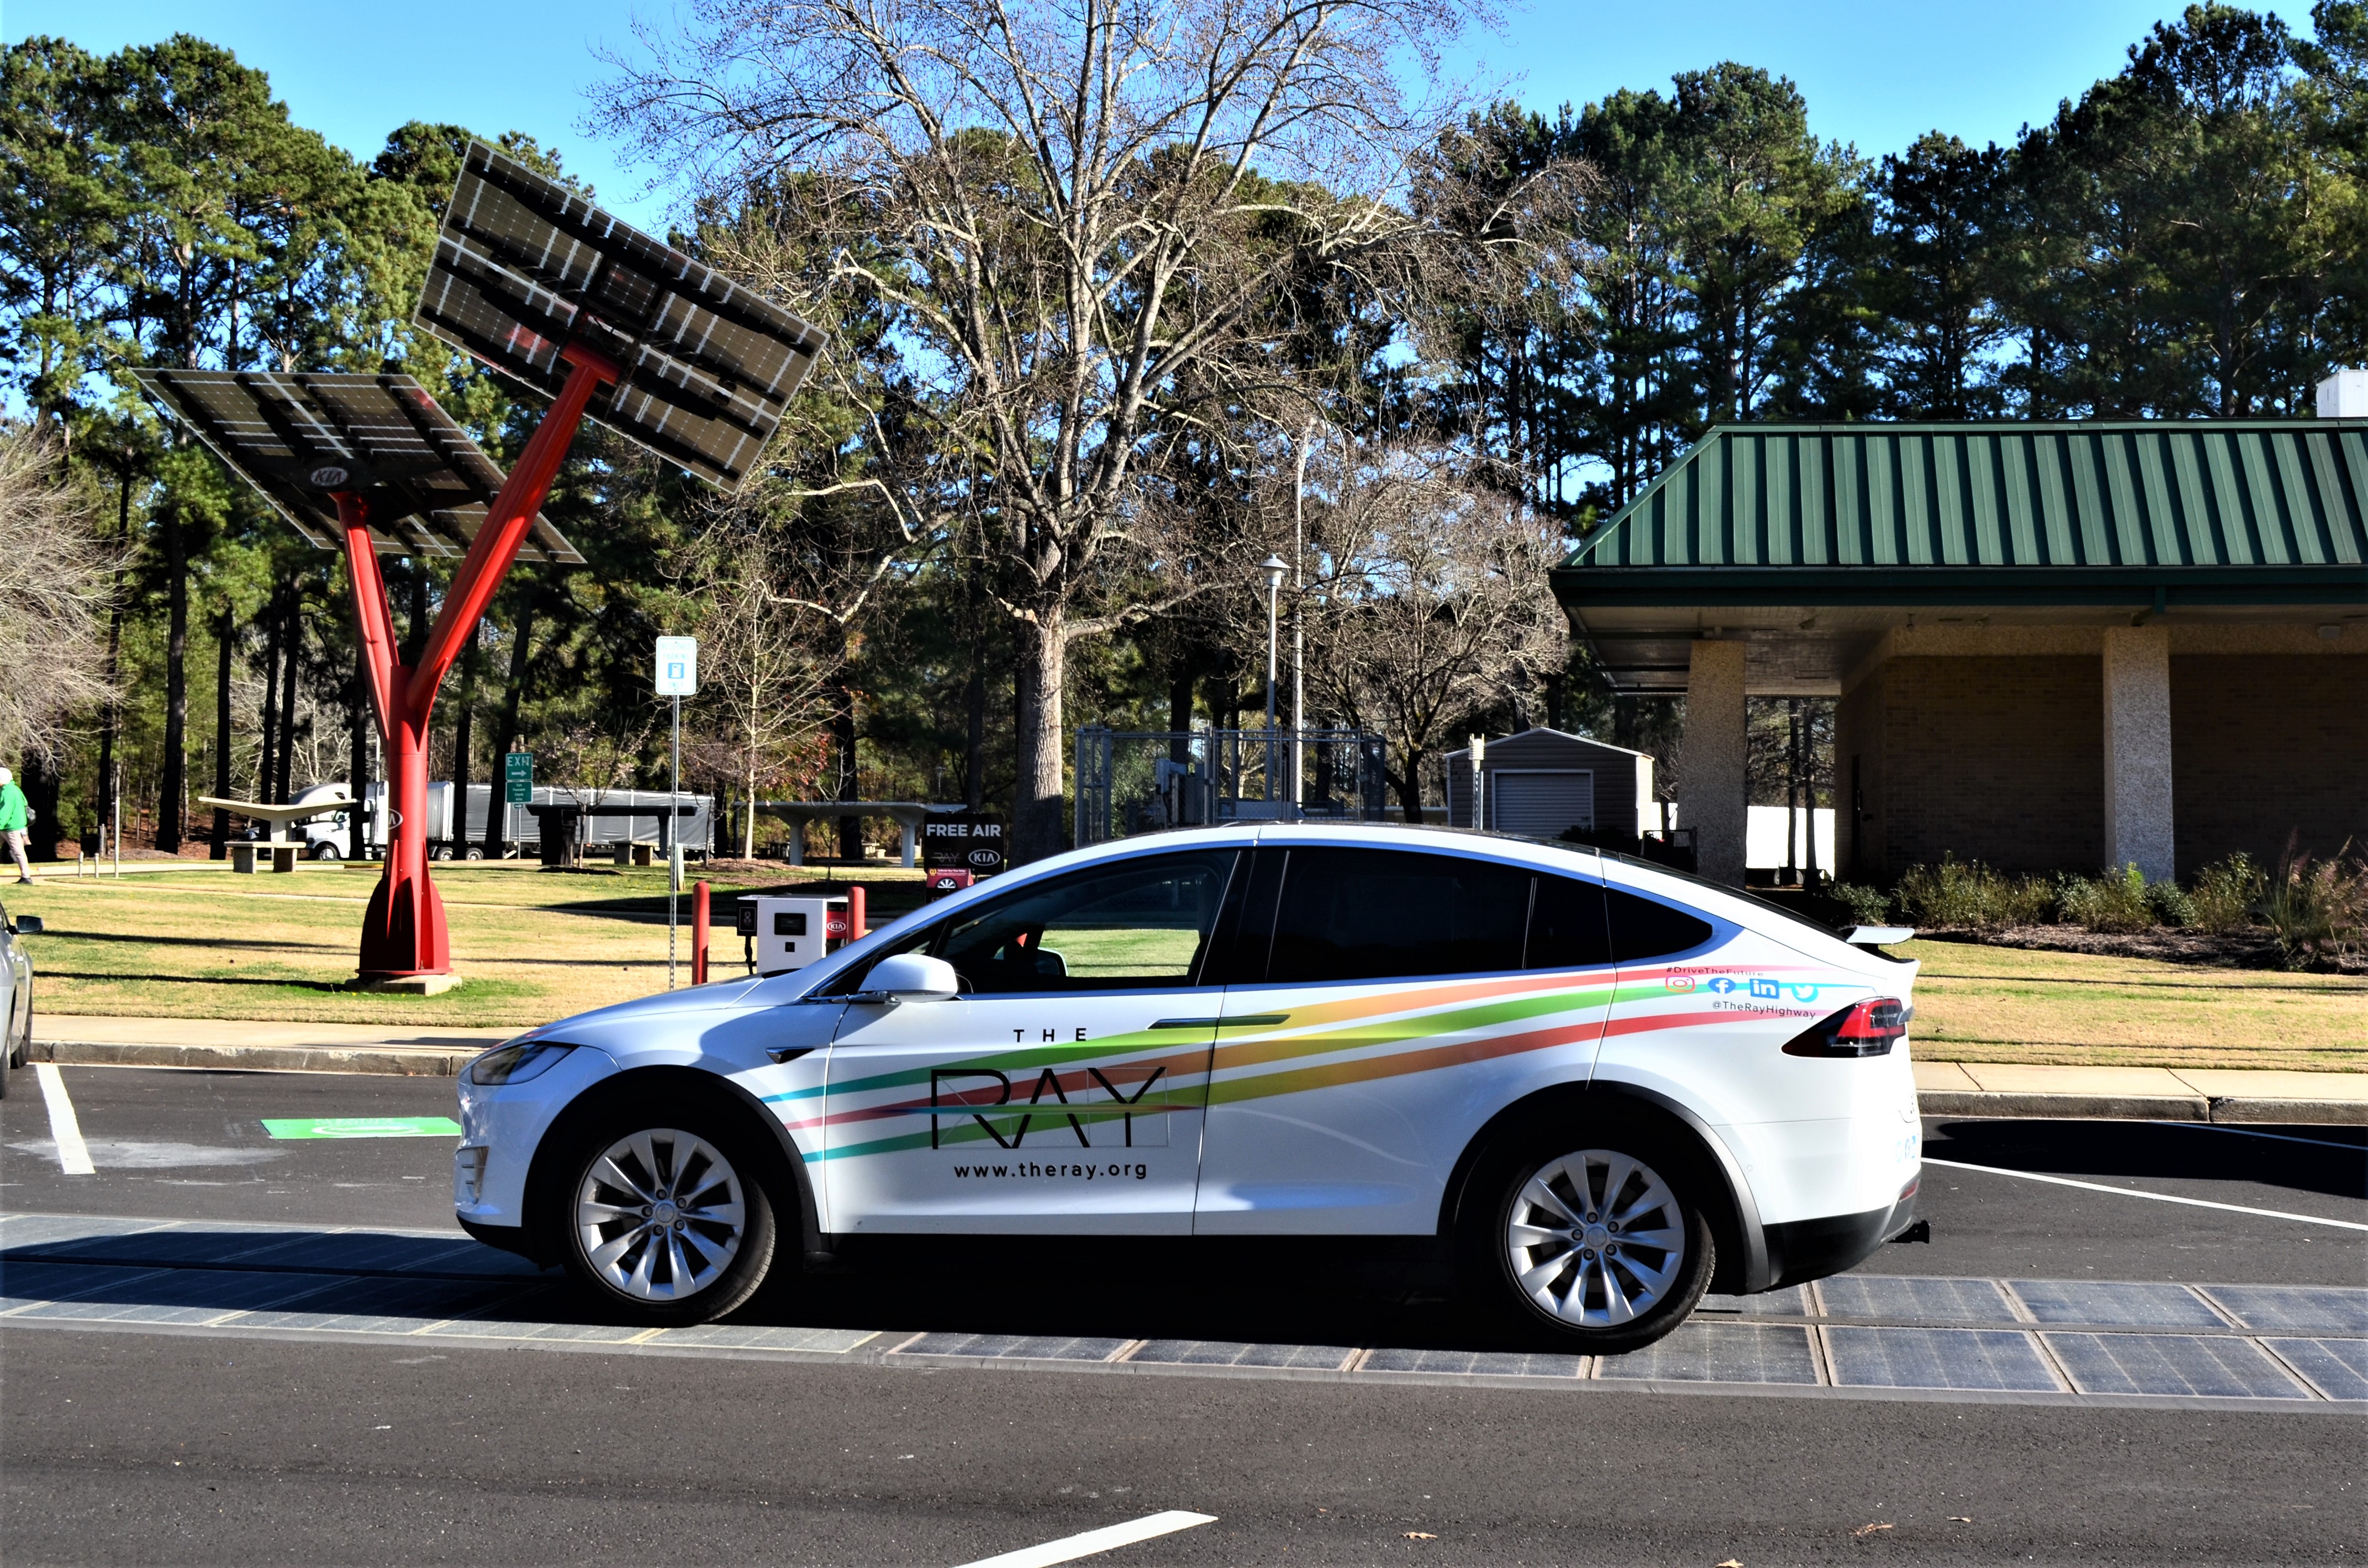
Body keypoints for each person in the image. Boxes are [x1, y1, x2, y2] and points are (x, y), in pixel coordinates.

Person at [0, 766, 30, 884]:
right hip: (10, 825)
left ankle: (26, 877)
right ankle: (26, 876)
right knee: (18, 851)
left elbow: (5, 811)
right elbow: (25, 802)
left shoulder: (7, 793)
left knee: (18, 851)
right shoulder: (14, 788)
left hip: (11, 827)